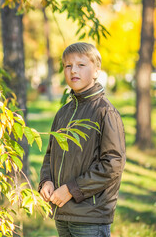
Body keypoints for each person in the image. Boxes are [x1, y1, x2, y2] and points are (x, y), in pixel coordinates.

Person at [38, 42, 126, 237]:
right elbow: (50, 155)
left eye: (81, 65)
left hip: (90, 217)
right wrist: (46, 181)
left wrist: (71, 189)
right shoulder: (63, 113)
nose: (73, 71)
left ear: (96, 70)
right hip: (62, 213)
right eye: (68, 66)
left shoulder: (105, 112)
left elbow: (113, 164)